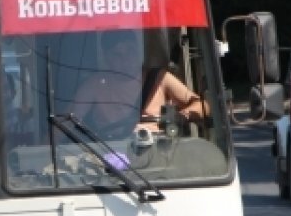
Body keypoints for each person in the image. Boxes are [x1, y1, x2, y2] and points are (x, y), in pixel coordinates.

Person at [69, 32, 205, 137]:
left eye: (130, 51)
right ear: (107, 58)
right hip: (112, 153)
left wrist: (182, 116)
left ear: (138, 52)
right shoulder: (94, 85)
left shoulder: (159, 79)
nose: (126, 59)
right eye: (117, 55)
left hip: (157, 150)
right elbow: (69, 120)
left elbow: (202, 105)